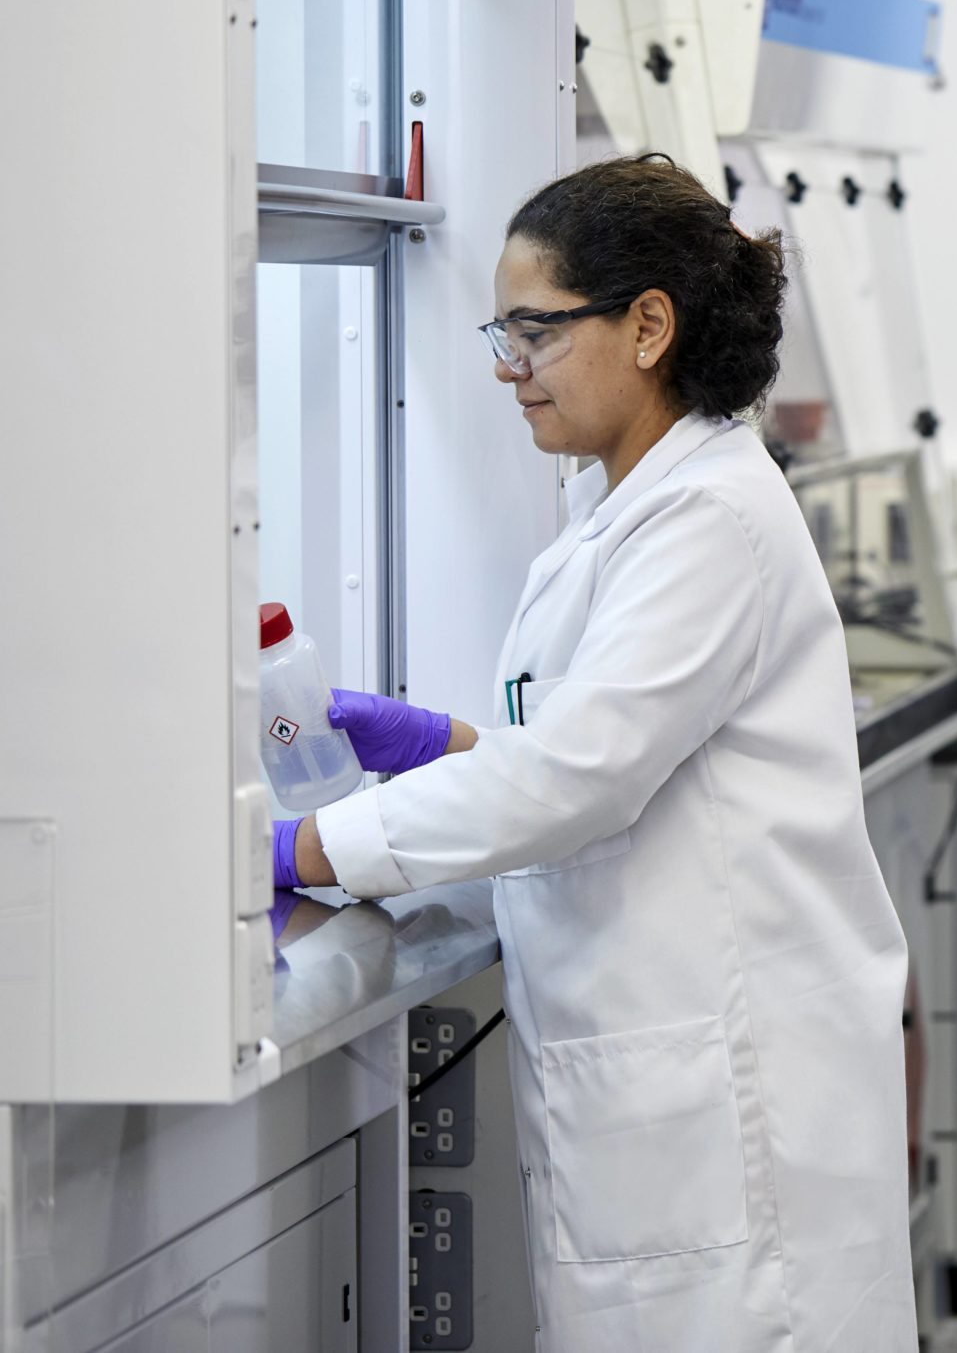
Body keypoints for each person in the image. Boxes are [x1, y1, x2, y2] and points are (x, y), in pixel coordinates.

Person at [270, 155, 916, 1351]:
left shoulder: (709, 519)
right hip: (663, 1090)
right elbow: (612, 747)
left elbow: (582, 776)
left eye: (535, 330)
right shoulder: (620, 502)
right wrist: (447, 745)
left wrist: (308, 845)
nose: (509, 366)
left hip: (732, 1106)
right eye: (500, 332)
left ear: (649, 326)